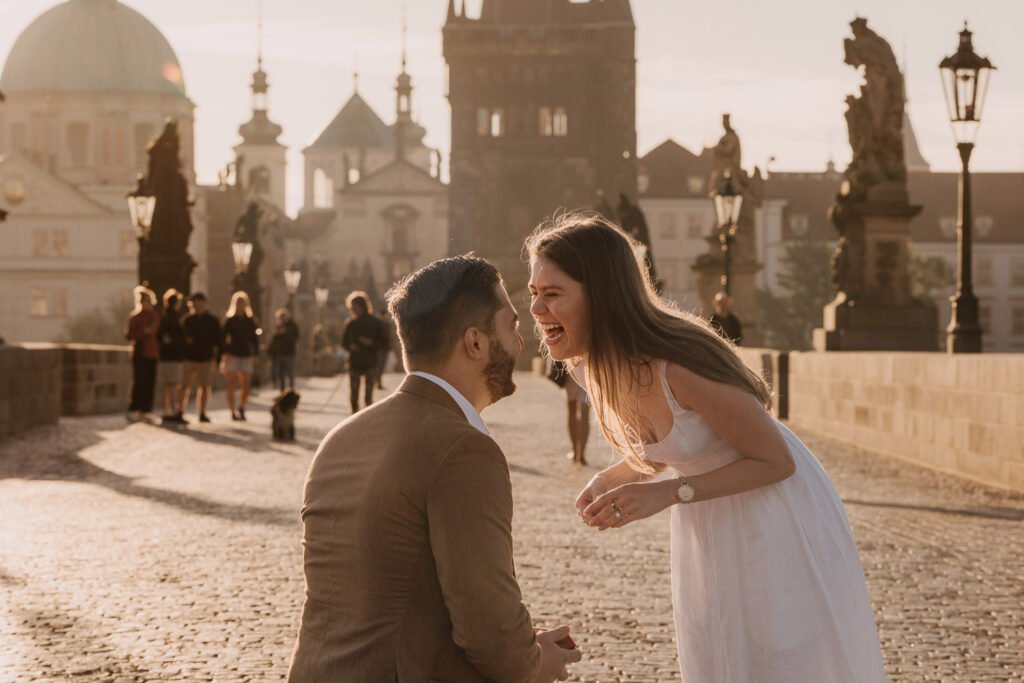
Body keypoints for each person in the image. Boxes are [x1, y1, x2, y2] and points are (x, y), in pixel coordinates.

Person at [525, 213, 885, 683]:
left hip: (773, 513)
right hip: (708, 516)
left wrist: (666, 494)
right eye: (533, 293)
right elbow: (671, 442)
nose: (535, 309)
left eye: (551, 294)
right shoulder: (592, 365)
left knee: (780, 658)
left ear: (603, 295)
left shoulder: (678, 363)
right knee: (718, 653)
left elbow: (776, 461)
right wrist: (614, 476)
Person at [288, 255, 582, 682]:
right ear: (476, 343)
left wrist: (529, 644)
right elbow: (486, 624)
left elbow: (391, 601)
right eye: (512, 326)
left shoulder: (343, 436)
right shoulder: (463, 450)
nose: (521, 341)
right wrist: (536, 664)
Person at [341, 291, 385, 413]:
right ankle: (354, 416)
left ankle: (367, 418)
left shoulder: (375, 322)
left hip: (370, 361)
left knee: (368, 396)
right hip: (355, 362)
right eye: (352, 308)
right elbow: (344, 342)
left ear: (362, 306)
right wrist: (351, 347)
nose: (354, 310)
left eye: (355, 307)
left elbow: (384, 343)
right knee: (354, 394)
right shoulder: (351, 323)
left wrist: (371, 343)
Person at [181, 292, 221, 423]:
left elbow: (218, 342)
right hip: (188, 358)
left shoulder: (212, 321)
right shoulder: (187, 320)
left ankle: (202, 412)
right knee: (184, 386)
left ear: (204, 304)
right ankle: (180, 410)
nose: (197, 306)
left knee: (204, 387)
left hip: (205, 358)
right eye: (194, 303)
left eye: (199, 303)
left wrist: (217, 359)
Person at [221, 291, 260, 421]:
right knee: (231, 383)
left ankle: (241, 406)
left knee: (245, 384)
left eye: (242, 303)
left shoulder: (250, 321)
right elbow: (224, 338)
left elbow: (254, 339)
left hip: (246, 354)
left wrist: (255, 354)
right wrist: (224, 354)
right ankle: (232, 410)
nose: (240, 305)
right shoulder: (230, 320)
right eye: (238, 303)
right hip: (233, 354)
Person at [125, 285, 160, 423]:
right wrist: (142, 332)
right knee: (139, 381)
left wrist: (146, 331)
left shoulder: (154, 316)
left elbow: (153, 330)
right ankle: (134, 408)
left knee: (150, 382)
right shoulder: (135, 317)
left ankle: (146, 410)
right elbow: (129, 335)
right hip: (139, 352)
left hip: (152, 352)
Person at [548, 359, 590, 465]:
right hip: (588, 367)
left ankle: (575, 451)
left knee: (572, 410)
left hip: (572, 364)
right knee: (584, 414)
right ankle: (581, 454)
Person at [156, 289, 188, 425]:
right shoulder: (174, 319)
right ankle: (173, 411)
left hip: (165, 355)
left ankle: (167, 410)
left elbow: (159, 337)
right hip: (174, 356)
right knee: (173, 384)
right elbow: (179, 338)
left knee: (168, 385)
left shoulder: (164, 318)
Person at [268, 308, 299, 392]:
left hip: (289, 352)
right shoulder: (278, 326)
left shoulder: (292, 325)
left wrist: (285, 332)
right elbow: (274, 339)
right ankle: (282, 390)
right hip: (280, 353)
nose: (281, 319)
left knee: (290, 372)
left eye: (283, 316)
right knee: (280, 373)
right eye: (280, 317)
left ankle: (291, 390)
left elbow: (296, 337)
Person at [375, 311, 394, 389]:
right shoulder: (385, 323)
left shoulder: (378, 322)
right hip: (381, 348)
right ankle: (378, 383)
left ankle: (378, 382)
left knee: (379, 366)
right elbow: (387, 336)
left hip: (381, 347)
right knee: (380, 366)